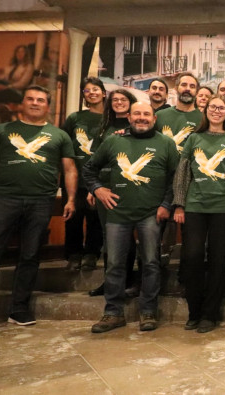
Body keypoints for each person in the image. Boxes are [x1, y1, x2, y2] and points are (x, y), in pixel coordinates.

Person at [0, 85, 77, 330]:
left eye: (40, 100)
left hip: (42, 201)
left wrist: (70, 199)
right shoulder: (1, 131)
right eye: (30, 99)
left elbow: (69, 169)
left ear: (48, 106)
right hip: (4, 199)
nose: (35, 103)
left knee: (30, 255)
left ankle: (18, 310)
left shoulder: (60, 136)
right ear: (22, 103)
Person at [85, 102, 179, 333]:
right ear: (128, 117)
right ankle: (112, 313)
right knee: (115, 264)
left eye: (146, 114)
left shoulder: (166, 143)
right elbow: (89, 169)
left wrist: (167, 204)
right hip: (118, 213)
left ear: (154, 119)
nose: (142, 117)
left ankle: (148, 312)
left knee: (150, 263)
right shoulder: (114, 140)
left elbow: (175, 178)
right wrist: (98, 189)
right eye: (137, 113)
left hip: (151, 214)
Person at [172, 95, 225, 333]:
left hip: (223, 208)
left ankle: (210, 315)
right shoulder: (194, 138)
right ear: (206, 110)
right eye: (213, 107)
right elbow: (182, 173)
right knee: (191, 257)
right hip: (195, 207)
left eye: (221, 108)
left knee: (218, 260)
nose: (217, 111)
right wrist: (179, 204)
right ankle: (194, 312)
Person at [87, 89, 139, 298]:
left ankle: (126, 279)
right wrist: (94, 187)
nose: (118, 102)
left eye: (123, 99)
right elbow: (93, 162)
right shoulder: (103, 129)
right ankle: (110, 282)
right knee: (109, 237)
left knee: (127, 237)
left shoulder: (137, 126)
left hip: (129, 187)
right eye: (115, 100)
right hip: (104, 189)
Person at [155, 73, 203, 268]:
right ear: (176, 88)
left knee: (191, 238)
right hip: (161, 181)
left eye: (192, 86)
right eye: (184, 84)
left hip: (191, 183)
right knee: (154, 236)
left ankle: (186, 279)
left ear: (197, 91)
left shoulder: (203, 117)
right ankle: (149, 281)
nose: (187, 89)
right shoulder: (160, 116)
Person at [61, 77, 106, 271]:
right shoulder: (75, 118)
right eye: (87, 90)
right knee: (74, 216)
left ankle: (92, 253)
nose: (92, 93)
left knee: (96, 217)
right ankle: (73, 254)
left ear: (104, 93)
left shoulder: (110, 120)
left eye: (96, 89)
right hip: (74, 176)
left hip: (99, 177)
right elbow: (63, 144)